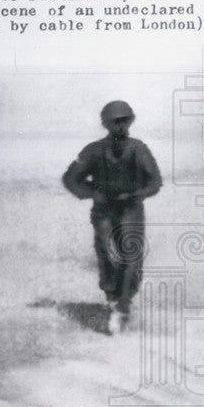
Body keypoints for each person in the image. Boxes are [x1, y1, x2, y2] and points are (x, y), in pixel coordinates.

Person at [62, 100, 162, 335]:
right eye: (115, 122)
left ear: (130, 122)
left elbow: (155, 181)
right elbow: (71, 178)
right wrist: (93, 193)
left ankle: (124, 303)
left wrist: (137, 194)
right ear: (106, 124)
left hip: (130, 209)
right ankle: (112, 296)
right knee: (107, 253)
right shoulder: (93, 150)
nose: (120, 126)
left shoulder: (139, 149)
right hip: (104, 210)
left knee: (131, 255)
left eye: (124, 121)